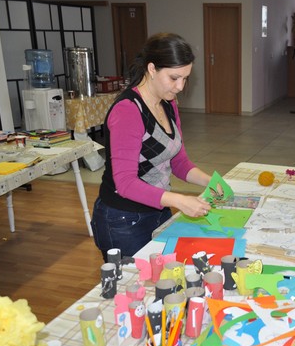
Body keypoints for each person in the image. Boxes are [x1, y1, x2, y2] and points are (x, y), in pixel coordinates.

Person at [91, 33, 213, 260]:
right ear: (152, 69)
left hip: (158, 210)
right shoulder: (128, 110)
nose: (180, 86)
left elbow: (179, 162)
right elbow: (126, 183)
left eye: (185, 78)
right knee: (136, 280)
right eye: (174, 78)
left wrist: (210, 182)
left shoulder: (168, 104)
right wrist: (179, 200)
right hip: (123, 220)